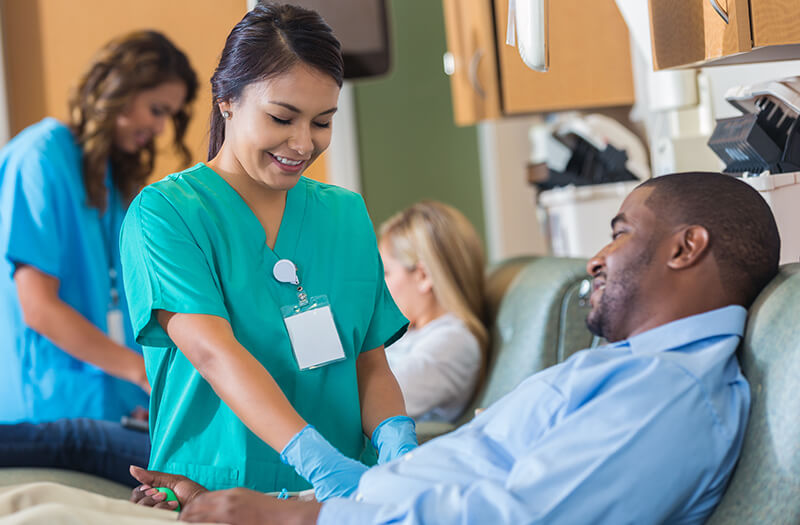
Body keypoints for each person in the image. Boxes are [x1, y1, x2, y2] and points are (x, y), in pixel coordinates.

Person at [126, 171, 780, 525]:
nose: (595, 256)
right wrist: (254, 502)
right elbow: (463, 481)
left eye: (617, 232)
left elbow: (517, 516)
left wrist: (297, 520)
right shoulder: (630, 370)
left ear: (685, 247)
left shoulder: (671, 395)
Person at [118, 2, 414, 498]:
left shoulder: (345, 216)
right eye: (282, 117)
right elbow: (214, 353)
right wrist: (316, 460)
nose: (302, 143)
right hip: (213, 494)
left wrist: (396, 437)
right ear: (226, 98)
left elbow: (369, 363)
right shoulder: (167, 214)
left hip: (334, 502)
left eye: (322, 122)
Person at [0, 30, 197, 424]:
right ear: (120, 89)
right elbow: (39, 308)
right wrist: (141, 373)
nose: (160, 129)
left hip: (110, 408)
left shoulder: (113, 178)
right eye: (156, 109)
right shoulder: (41, 157)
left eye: (169, 116)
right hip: (46, 410)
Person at [379, 201, 487, 422]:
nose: (379, 286)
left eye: (386, 273)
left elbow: (374, 403)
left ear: (423, 276)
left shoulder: (453, 343)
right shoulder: (411, 332)